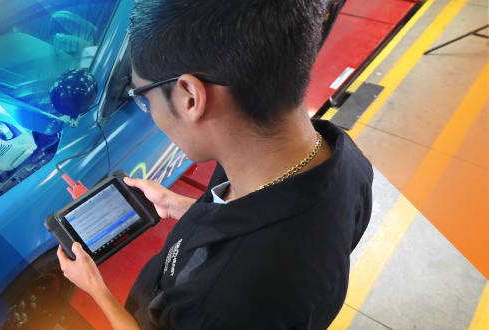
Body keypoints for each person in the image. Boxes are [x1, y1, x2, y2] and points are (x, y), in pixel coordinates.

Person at [56, 0, 374, 329]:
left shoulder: (218, 304)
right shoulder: (346, 162)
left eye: (144, 97)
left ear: (190, 97)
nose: (149, 110)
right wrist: (179, 205)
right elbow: (257, 220)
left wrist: (96, 287)